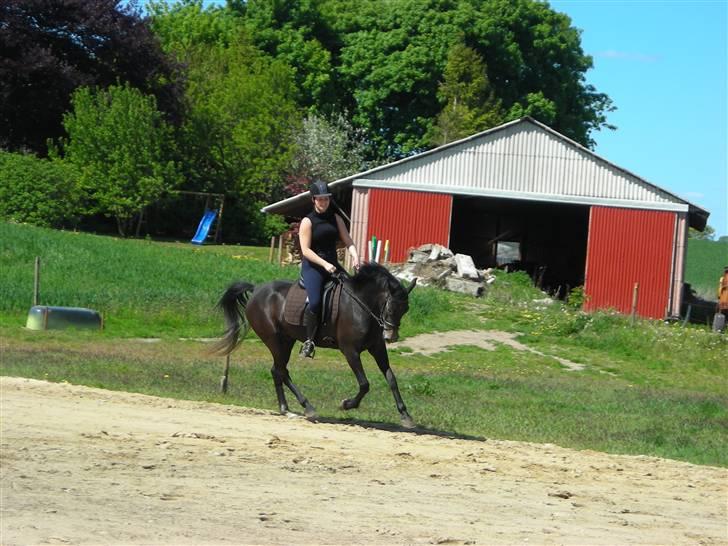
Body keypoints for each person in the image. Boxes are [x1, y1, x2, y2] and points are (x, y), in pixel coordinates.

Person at [298, 180, 361, 357]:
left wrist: (355, 255)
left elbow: (347, 239)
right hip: (314, 267)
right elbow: (305, 250)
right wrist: (324, 264)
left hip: (333, 265)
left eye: (326, 199)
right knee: (316, 302)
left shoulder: (336, 218)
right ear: (314, 200)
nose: (324, 202)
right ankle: (309, 341)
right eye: (320, 199)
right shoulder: (307, 222)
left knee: (353, 293)